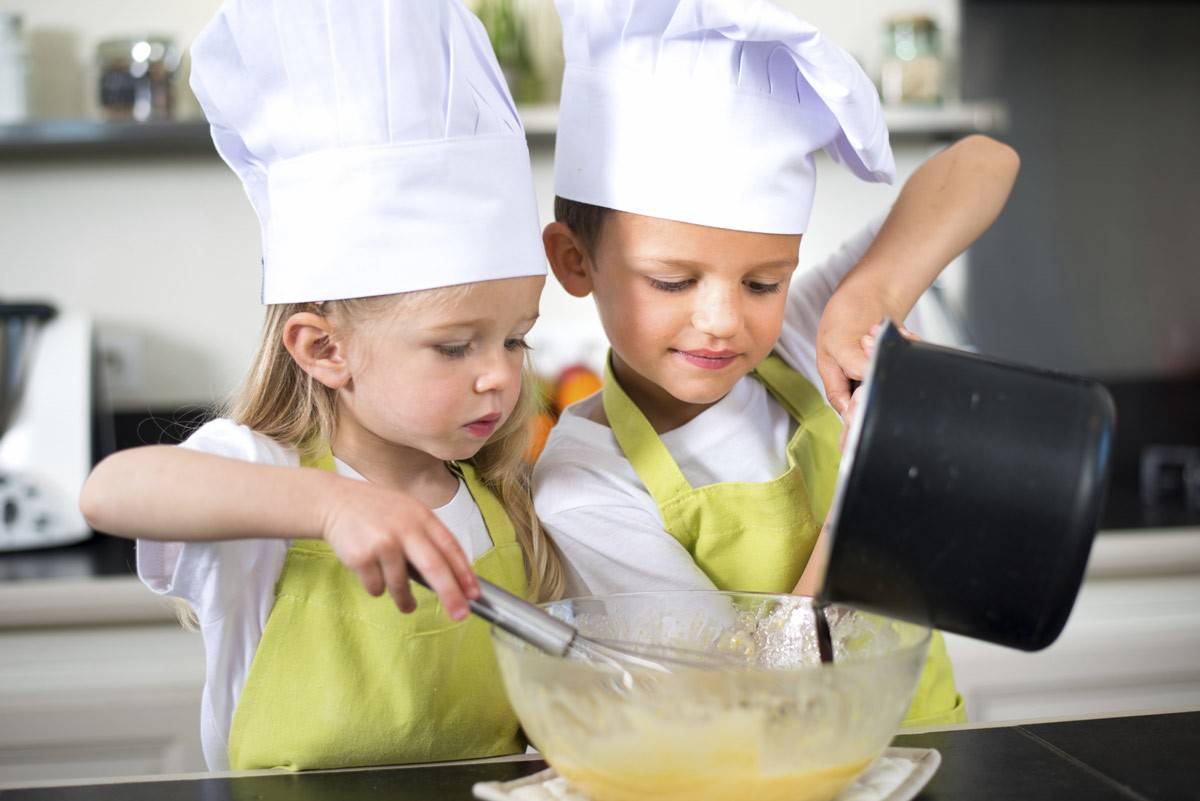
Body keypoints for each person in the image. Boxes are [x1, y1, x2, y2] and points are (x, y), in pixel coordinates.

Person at [79, 0, 561, 772]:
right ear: (324, 349)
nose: (501, 373)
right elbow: (113, 488)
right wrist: (335, 505)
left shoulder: (498, 499)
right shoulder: (267, 477)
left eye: (515, 337)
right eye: (454, 345)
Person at [534, 0, 1021, 727]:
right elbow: (738, 695)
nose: (725, 319)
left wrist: (873, 292)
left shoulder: (802, 335)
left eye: (764, 281)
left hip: (929, 754)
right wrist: (867, 505)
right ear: (576, 262)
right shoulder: (587, 482)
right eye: (674, 281)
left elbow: (985, 161)